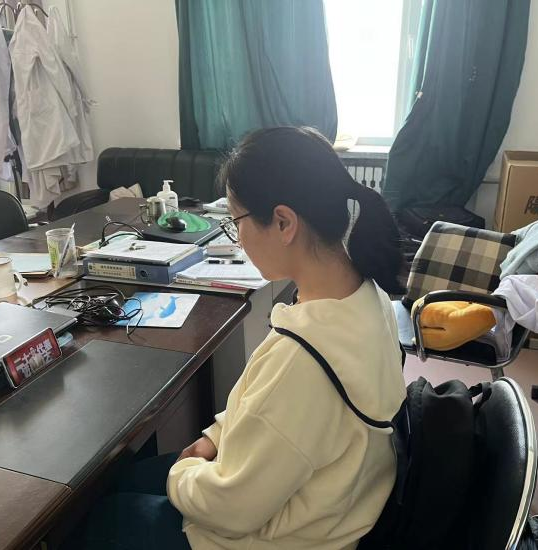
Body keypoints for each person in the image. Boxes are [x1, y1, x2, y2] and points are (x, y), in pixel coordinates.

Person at [75, 126, 407, 550]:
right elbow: (271, 414)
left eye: (236, 221)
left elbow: (231, 509)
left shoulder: (303, 360)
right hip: (330, 502)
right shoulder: (366, 294)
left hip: (279, 537)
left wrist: (182, 473)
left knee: (106, 516)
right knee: (127, 480)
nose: (238, 236)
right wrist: (215, 437)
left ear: (284, 222)